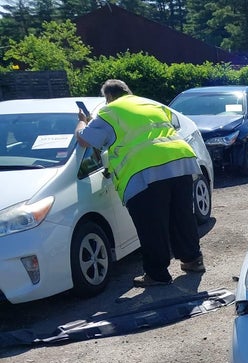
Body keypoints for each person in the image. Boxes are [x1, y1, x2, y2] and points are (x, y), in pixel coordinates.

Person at [75, 79, 205, 287]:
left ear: (108, 97)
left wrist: (83, 121)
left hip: (145, 169)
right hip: (180, 161)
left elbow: (85, 139)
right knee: (182, 216)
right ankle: (193, 260)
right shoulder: (150, 103)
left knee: (151, 224)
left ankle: (158, 274)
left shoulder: (109, 111)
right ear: (128, 91)